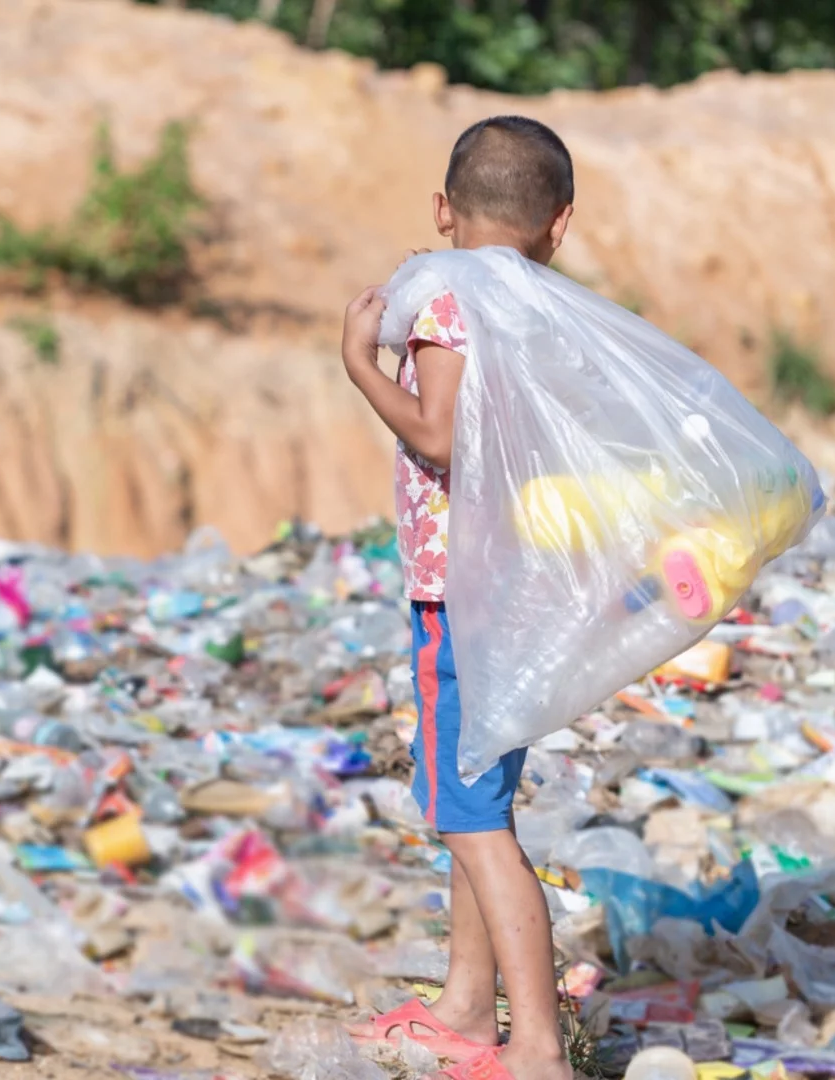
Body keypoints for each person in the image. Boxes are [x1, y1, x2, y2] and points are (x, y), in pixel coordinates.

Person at [340, 115, 577, 1080]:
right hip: (513, 589)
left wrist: (361, 367)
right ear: (557, 226)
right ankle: (468, 1010)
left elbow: (440, 439)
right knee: (485, 805)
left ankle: (537, 1051)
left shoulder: (446, 300)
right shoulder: (541, 307)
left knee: (471, 824)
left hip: (457, 600)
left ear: (442, 210)